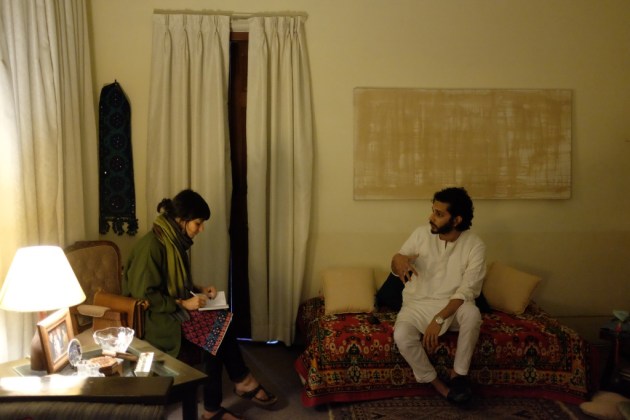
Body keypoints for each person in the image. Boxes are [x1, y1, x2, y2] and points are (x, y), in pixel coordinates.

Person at [123, 189, 277, 420]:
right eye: (198, 223)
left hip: (171, 309)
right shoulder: (152, 246)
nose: (201, 229)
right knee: (216, 331)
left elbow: (173, 284)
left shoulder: (172, 241)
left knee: (221, 321)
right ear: (181, 220)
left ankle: (231, 392)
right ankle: (228, 395)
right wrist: (184, 303)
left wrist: (199, 289)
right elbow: (144, 296)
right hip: (156, 318)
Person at [391, 187, 486, 404]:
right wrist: (397, 259)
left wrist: (439, 318)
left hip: (452, 307)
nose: (431, 217)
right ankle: (440, 386)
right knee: (402, 335)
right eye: (433, 211)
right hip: (417, 304)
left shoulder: (475, 245)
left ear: (456, 220)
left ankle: (458, 376)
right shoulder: (420, 234)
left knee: (472, 314)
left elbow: (467, 290)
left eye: (439, 214)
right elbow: (398, 262)